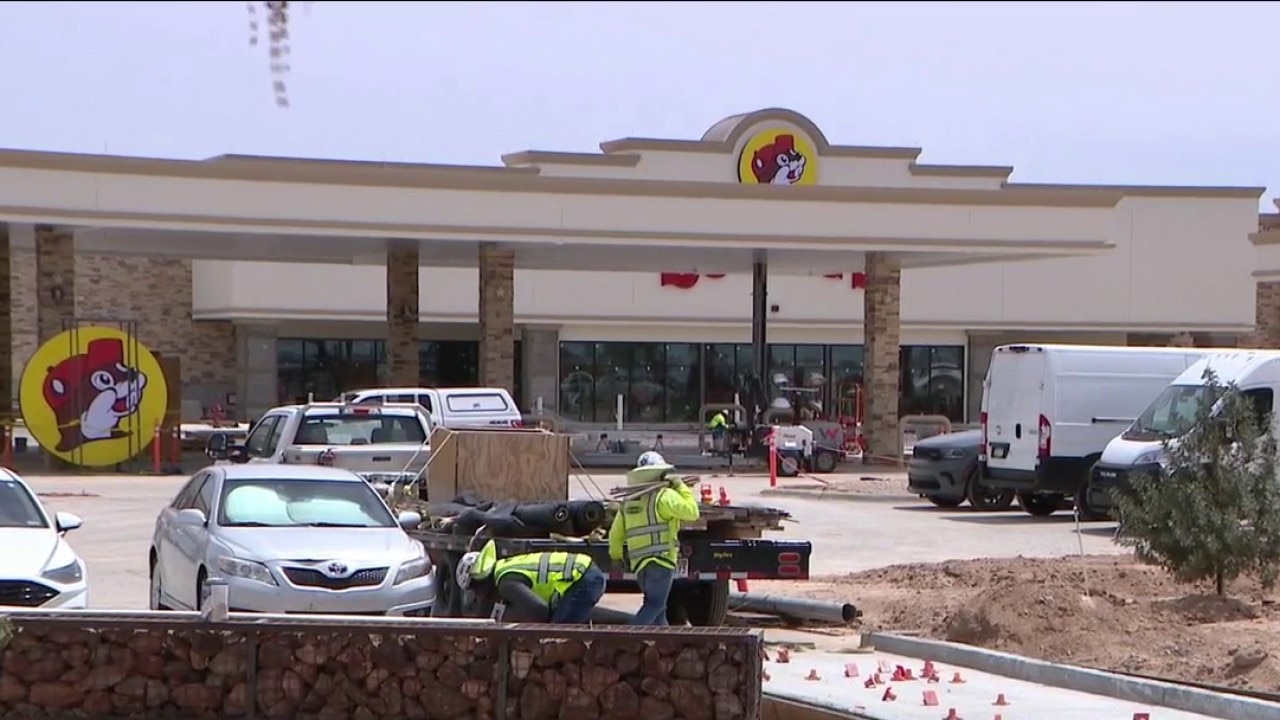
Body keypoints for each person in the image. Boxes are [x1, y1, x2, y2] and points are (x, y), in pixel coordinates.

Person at [608, 451, 701, 625]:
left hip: (640, 565)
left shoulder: (629, 501)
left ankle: (665, 646)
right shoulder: (664, 496)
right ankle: (626, 638)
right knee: (655, 605)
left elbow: (615, 534)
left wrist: (616, 557)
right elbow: (692, 512)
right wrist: (680, 486)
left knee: (659, 613)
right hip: (661, 561)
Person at [455, 540, 606, 624]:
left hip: (582, 579)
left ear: (478, 579)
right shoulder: (503, 568)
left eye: (472, 588)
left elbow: (539, 611)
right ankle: (629, 623)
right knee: (578, 616)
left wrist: (509, 619)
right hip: (583, 574)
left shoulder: (505, 583)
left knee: (556, 636)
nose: (476, 594)